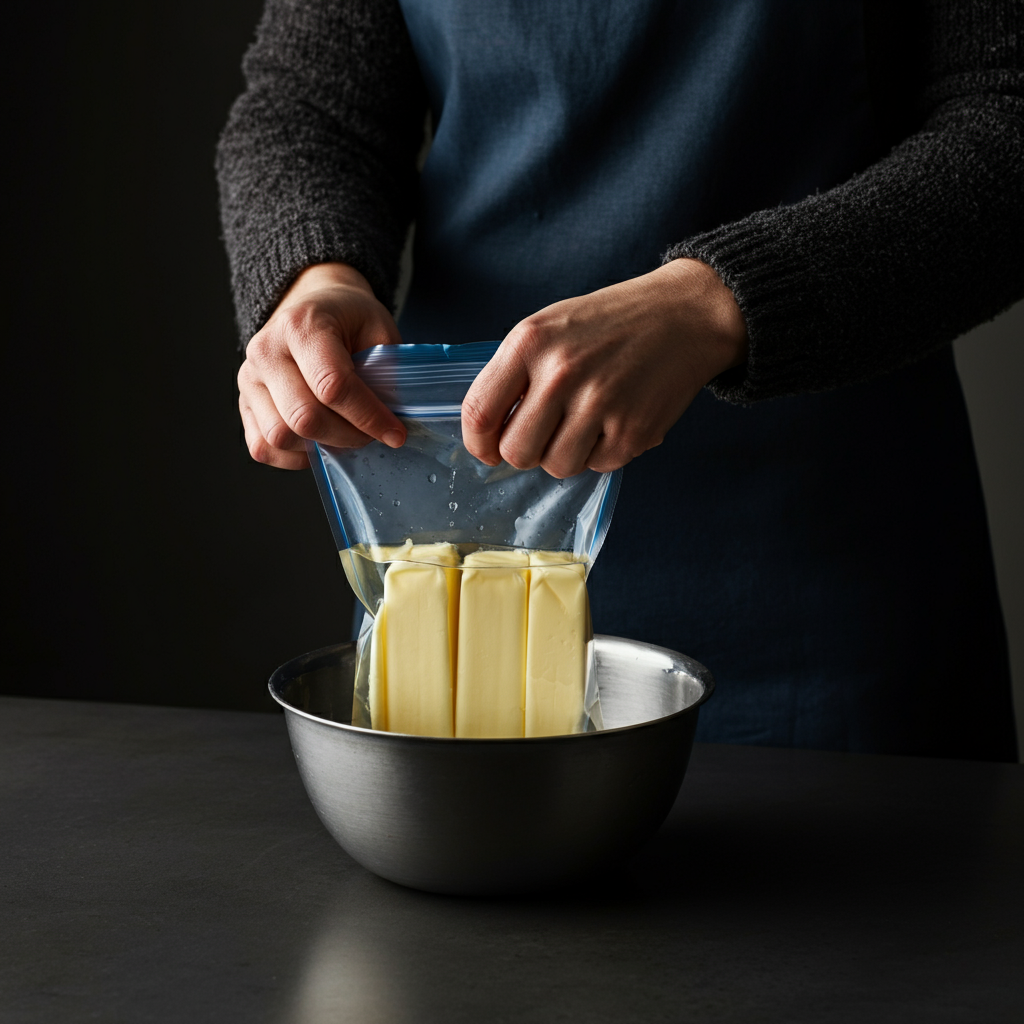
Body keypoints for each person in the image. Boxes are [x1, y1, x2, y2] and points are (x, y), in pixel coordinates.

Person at [217, 0, 1023, 760]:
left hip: (832, 593)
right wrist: (312, 279)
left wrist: (715, 305)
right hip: (450, 567)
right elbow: (311, 105)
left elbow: (1007, 116)